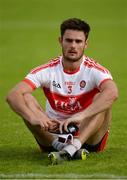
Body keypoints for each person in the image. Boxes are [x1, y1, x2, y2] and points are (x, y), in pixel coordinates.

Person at [6, 18, 118, 165]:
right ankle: (62, 148)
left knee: (103, 98)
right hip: (52, 135)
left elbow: (112, 93)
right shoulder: (47, 70)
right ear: (60, 41)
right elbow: (12, 95)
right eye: (69, 40)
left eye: (78, 41)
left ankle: (73, 147)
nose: (73, 46)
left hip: (88, 134)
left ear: (86, 44)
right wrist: (33, 118)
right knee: (25, 97)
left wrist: (81, 116)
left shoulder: (95, 70)